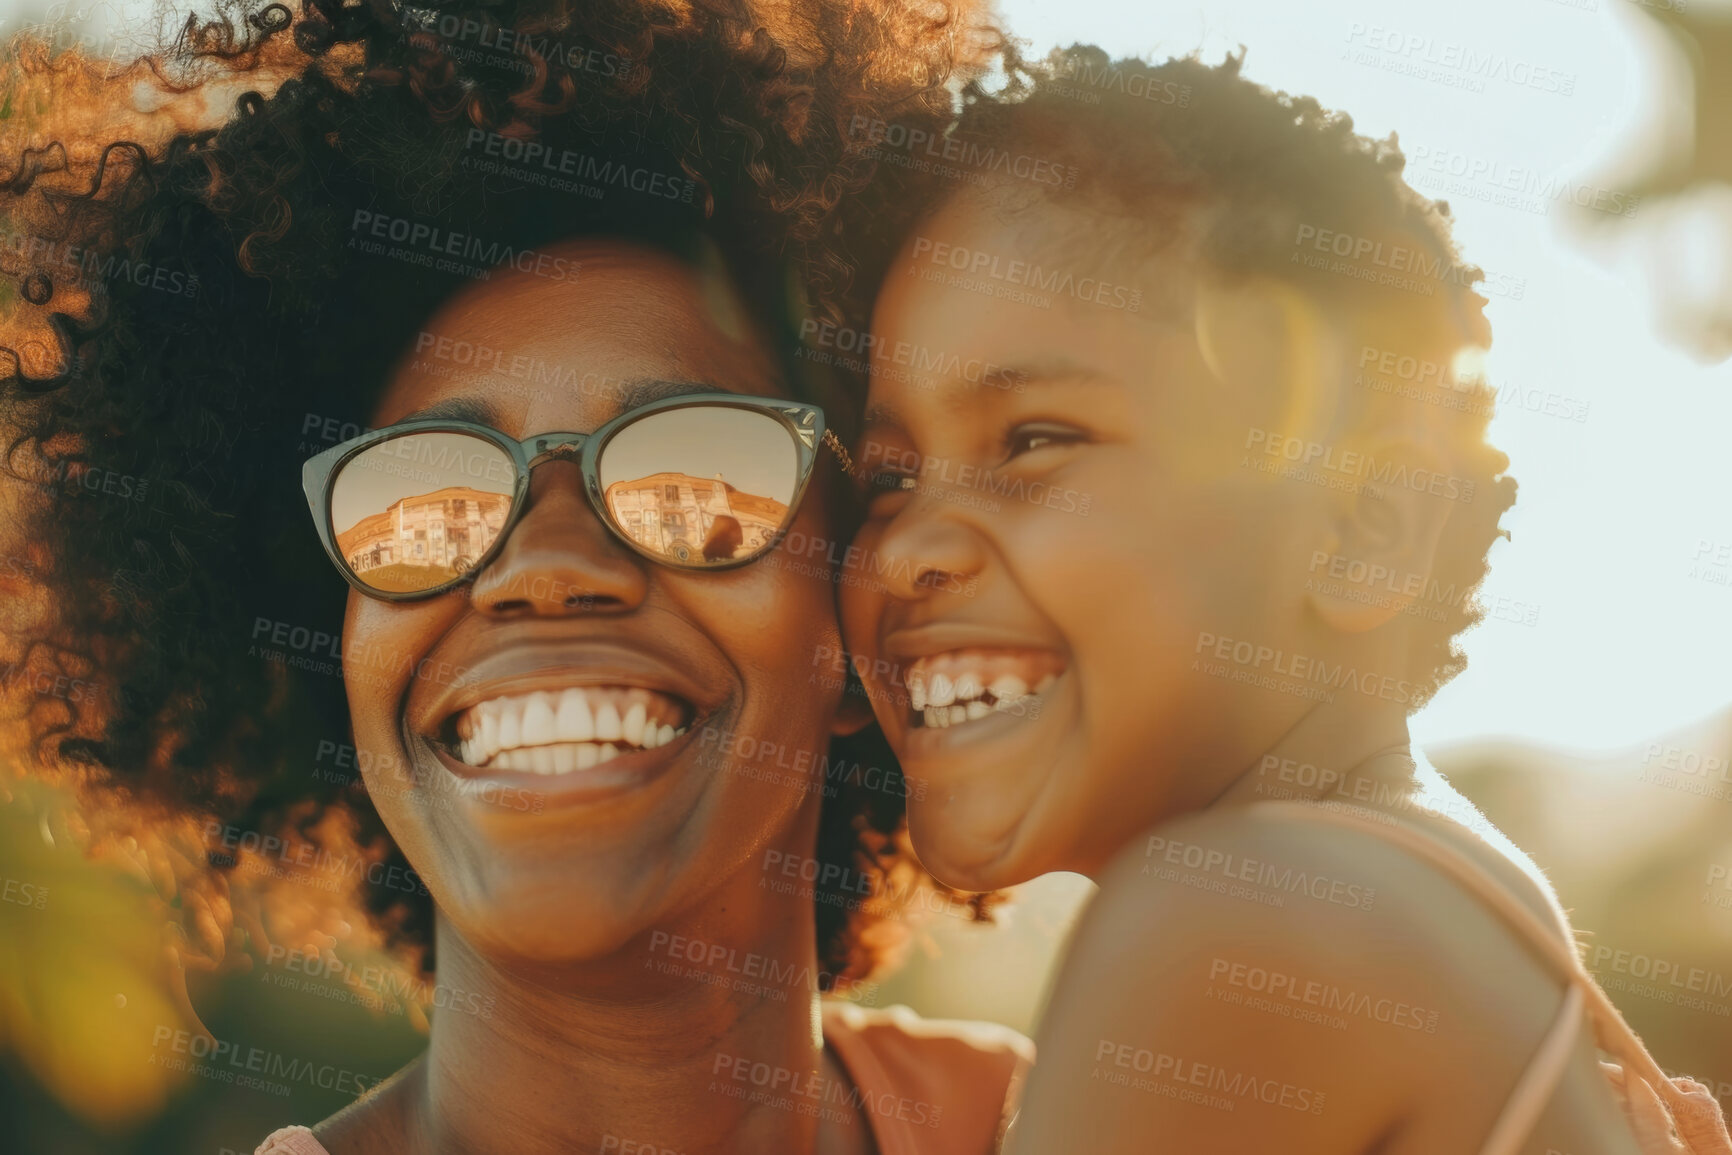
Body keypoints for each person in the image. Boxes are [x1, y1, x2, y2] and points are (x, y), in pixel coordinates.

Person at [0, 3, 1030, 1153]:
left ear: (851, 614)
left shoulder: (1064, 1124)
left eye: (695, 466)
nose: (539, 567)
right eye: (421, 505)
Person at [840, 45, 1732, 1153]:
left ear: (1364, 532)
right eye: (885, 478)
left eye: (1034, 440)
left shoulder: (1239, 922)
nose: (904, 547)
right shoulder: (1451, 895)